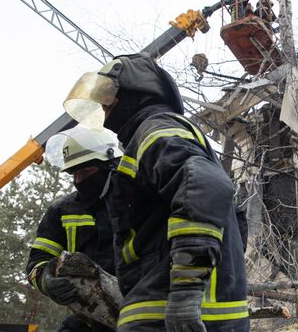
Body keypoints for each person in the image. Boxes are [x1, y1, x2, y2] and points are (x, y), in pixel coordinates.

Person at [63, 53, 249, 332]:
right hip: (180, 313)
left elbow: (205, 185)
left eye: (108, 95)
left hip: (171, 315)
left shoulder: (155, 129)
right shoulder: (149, 137)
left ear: (136, 92)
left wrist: (186, 289)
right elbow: (234, 219)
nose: (104, 107)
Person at [26, 126, 122, 332]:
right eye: (74, 173)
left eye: (86, 171)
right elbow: (37, 261)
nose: (79, 180)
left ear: (111, 165)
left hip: (140, 316)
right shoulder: (62, 211)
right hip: (87, 318)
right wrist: (47, 281)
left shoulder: (139, 202)